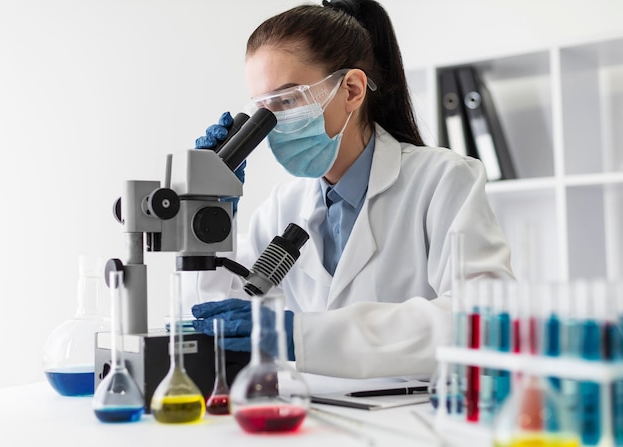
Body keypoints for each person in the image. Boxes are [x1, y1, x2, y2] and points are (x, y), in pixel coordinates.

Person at [191, 0, 513, 380]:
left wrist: (302, 336)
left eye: (288, 100)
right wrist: (207, 217)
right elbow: (220, 317)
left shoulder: (443, 180)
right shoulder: (284, 205)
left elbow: (485, 321)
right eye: (262, 109)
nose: (272, 124)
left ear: (352, 90)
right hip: (313, 423)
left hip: (413, 424)